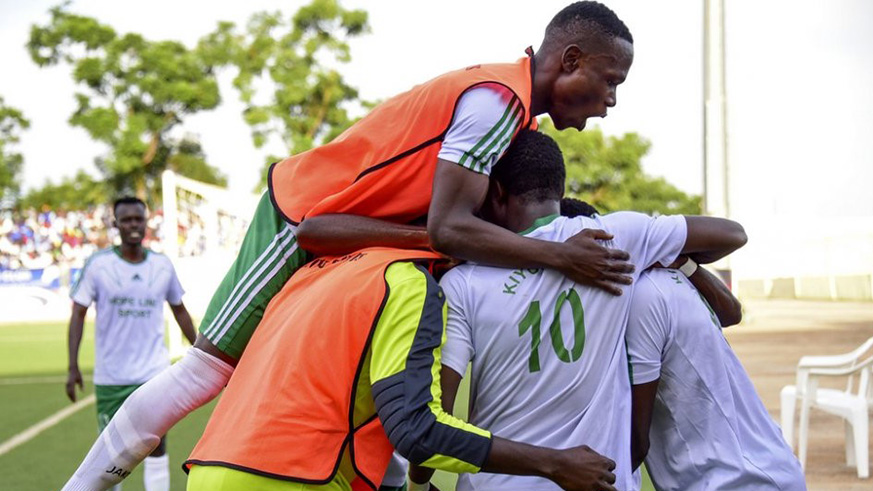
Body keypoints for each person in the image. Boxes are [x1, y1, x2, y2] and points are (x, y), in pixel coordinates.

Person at [62, 3, 637, 489]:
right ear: (570, 61)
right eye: (609, 81)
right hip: (299, 214)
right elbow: (447, 229)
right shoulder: (495, 102)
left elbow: (455, 231)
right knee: (206, 372)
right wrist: (560, 255)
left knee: (375, 391)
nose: (611, 100)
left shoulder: (517, 123)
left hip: (359, 243)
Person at [411, 130, 748, 490]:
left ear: (495, 191)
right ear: (560, 189)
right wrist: (668, 254)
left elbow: (436, 419)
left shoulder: (463, 281)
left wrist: (420, 479)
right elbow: (732, 234)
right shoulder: (615, 238)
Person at [183, 246, 618, 491]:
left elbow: (347, 408)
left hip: (208, 471)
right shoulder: (406, 280)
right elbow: (415, 430)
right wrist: (553, 463)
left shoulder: (314, 272)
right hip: (290, 480)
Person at [627, 263, 807, 489]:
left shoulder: (643, 296)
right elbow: (733, 312)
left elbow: (636, 443)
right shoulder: (674, 276)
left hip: (735, 480)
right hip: (765, 467)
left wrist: (568, 467)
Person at [65, 197, 197, 491]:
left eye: (138, 219)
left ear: (146, 222)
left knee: (157, 445)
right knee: (110, 458)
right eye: (126, 220)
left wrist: (203, 353)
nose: (133, 225)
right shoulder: (99, 265)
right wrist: (72, 365)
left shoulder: (162, 265)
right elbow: (78, 313)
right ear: (116, 224)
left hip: (153, 373)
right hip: (112, 377)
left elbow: (180, 311)